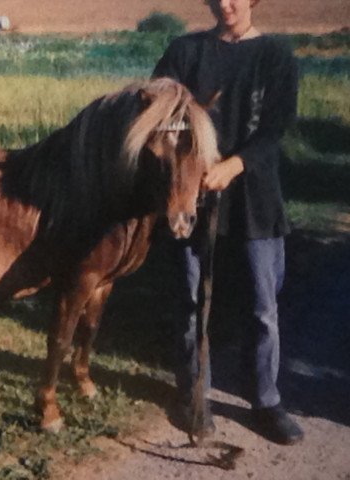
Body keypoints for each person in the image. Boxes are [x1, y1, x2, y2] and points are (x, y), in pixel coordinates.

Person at [152, 0, 304, 445]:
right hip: (191, 195)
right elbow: (157, 109)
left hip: (255, 197)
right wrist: (195, 167)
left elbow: (276, 127)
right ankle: (194, 395)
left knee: (262, 305)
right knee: (190, 299)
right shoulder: (184, 51)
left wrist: (233, 165)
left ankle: (266, 401)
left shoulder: (275, 55)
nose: (227, 3)